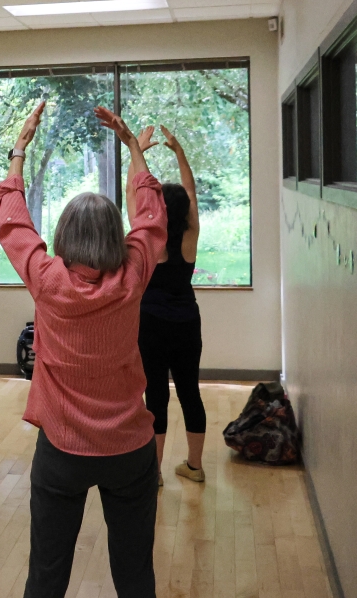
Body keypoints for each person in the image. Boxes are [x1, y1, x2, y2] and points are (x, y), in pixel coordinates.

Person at [0, 101, 166, 598]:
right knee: (136, 577)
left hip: (62, 451)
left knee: (46, 578)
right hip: (130, 450)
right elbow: (151, 217)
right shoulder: (132, 275)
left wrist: (20, 152)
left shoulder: (48, 280)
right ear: (116, 236)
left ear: (63, 236)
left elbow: (12, 220)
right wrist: (133, 146)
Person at [131, 125, 205, 485]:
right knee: (190, 391)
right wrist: (178, 151)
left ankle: (155, 474)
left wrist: (136, 150)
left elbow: (135, 195)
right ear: (186, 212)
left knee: (155, 396)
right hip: (187, 322)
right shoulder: (190, 237)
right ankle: (194, 466)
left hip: (152, 325)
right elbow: (190, 192)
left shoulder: (151, 238)